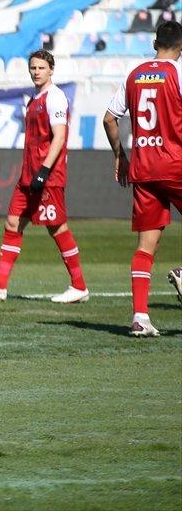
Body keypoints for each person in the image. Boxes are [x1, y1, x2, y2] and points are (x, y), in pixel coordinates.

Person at [0, 50, 89, 304]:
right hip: (28, 175)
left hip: (48, 176)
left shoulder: (55, 97)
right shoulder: (34, 99)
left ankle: (79, 286)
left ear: (51, 70)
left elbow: (59, 136)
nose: (36, 72)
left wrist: (44, 170)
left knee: (57, 227)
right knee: (12, 223)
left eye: (41, 68)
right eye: (33, 68)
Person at [102, 19, 182, 337]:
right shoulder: (178, 73)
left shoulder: (134, 74)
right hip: (175, 165)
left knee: (146, 245)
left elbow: (109, 119)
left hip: (144, 168)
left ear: (154, 44)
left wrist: (120, 155)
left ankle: (140, 318)